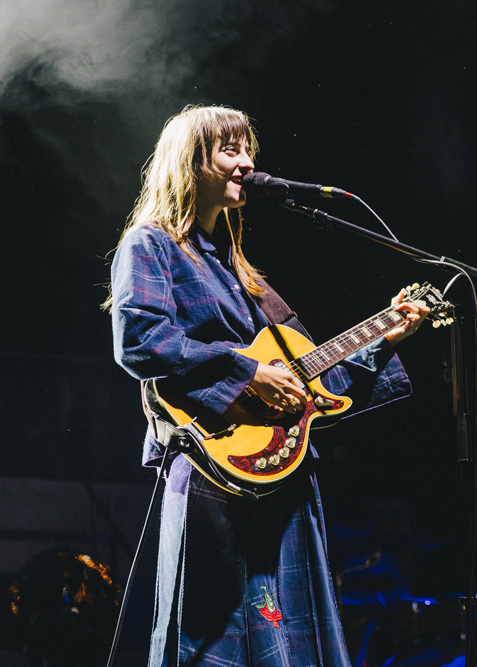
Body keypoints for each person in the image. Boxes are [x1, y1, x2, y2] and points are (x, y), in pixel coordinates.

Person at [105, 105, 429, 667]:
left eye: (248, 149)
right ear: (191, 163)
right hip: (210, 462)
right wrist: (248, 371)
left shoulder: (244, 273)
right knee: (208, 639)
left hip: (280, 472)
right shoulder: (149, 245)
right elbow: (139, 339)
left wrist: (387, 337)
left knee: (294, 641)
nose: (247, 163)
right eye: (229, 150)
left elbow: (316, 385)